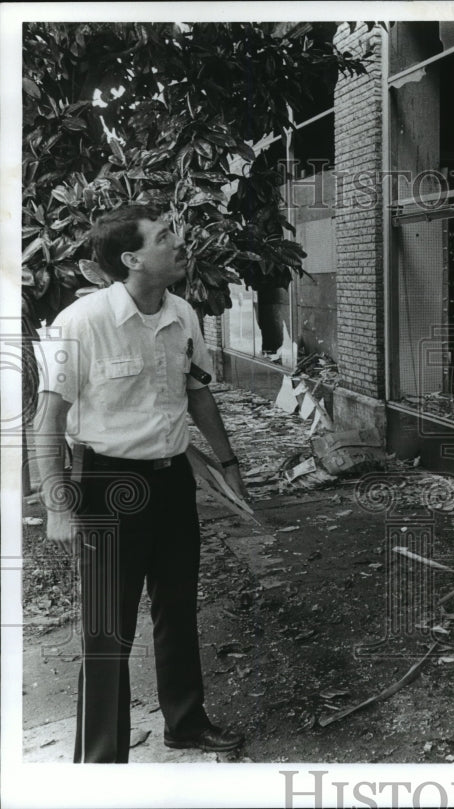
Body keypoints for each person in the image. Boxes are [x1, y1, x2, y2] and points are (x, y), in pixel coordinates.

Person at [34, 204, 248, 763]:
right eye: (164, 235)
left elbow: (198, 393)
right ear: (131, 258)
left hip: (171, 480)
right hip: (105, 483)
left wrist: (227, 466)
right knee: (108, 624)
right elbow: (48, 420)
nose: (179, 241)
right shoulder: (78, 324)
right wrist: (59, 505)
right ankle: (102, 758)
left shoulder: (182, 314)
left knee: (178, 606)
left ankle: (185, 720)